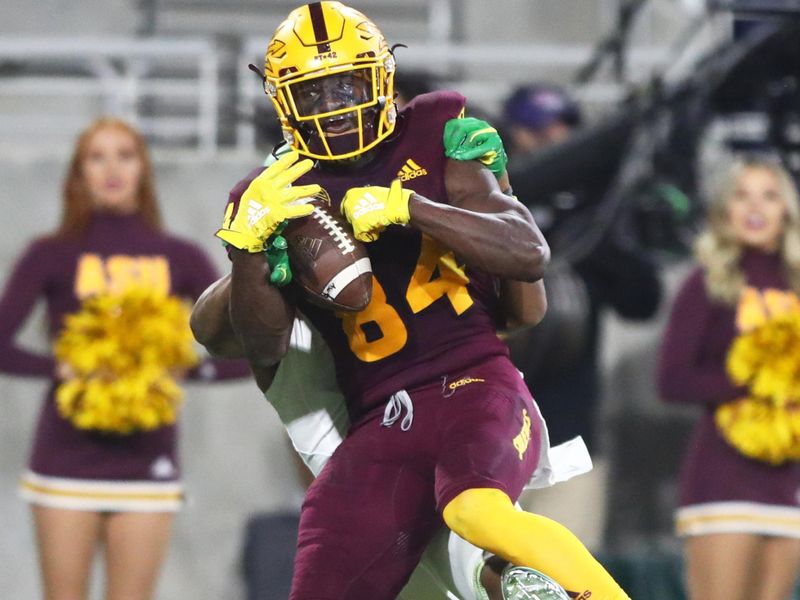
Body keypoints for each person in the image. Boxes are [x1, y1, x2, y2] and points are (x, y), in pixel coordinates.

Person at [204, 3, 630, 599]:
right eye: (314, 93)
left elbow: (529, 255)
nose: (334, 107)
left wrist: (410, 207)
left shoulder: (438, 133)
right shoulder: (278, 194)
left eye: (345, 85)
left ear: (381, 77)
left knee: (475, 514)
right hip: (379, 418)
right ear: (283, 101)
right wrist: (248, 252)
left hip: (475, 383)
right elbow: (252, 343)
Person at [0, 117, 249, 600]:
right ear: (79, 173)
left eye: (125, 155)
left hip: (147, 463)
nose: (112, 168)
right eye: (97, 156)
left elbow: (250, 345)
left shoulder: (178, 256)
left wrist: (189, 369)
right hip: (64, 463)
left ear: (143, 169)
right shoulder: (50, 254)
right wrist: (61, 367)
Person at [500, 82, 662, 548]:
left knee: (565, 578)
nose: (554, 138)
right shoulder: (480, 208)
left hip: (567, 439)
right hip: (483, 432)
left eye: (564, 127)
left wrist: (586, 234)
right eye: (539, 129)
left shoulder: (593, 218)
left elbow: (642, 300)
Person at [658, 156, 800, 600]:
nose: (755, 206)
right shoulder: (708, 283)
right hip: (723, 478)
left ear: (787, 210)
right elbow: (673, 379)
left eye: (769, 195)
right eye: (742, 195)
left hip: (790, 481)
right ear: (725, 210)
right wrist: (760, 379)